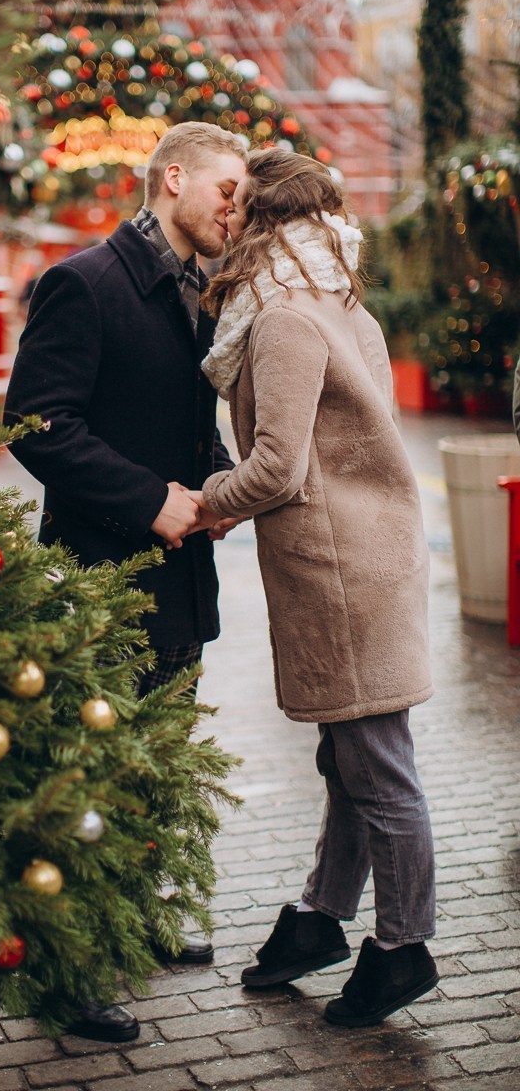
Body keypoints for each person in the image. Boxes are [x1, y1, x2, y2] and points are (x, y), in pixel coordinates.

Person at [3, 121, 248, 1041]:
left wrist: (218, 484)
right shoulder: (84, 282)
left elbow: (180, 423)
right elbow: (37, 425)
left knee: (156, 771)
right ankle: (67, 970)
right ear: (173, 177)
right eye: (226, 191)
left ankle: (136, 916)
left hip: (180, 583)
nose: (236, 212)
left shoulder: (202, 293)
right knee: (85, 782)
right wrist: (151, 501)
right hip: (99, 583)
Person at [195, 147, 438, 1028]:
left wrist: (203, 504)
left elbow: (277, 467)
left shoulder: (284, 319)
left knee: (379, 769)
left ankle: (403, 947)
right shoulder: (343, 306)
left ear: (261, 223)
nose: (226, 224)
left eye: (238, 209)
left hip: (340, 573)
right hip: (376, 555)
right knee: (351, 757)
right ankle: (320, 918)